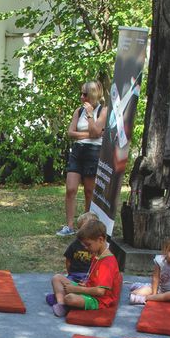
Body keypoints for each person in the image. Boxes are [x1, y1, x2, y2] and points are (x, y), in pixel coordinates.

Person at [58, 81, 108, 237]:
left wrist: (91, 116)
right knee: (71, 189)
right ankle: (69, 225)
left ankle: (86, 226)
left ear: (93, 94)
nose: (81, 97)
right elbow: (71, 133)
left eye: (85, 94)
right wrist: (89, 134)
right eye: (81, 93)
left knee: (88, 191)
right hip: (78, 152)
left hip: (93, 152)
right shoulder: (78, 111)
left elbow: (96, 130)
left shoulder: (103, 111)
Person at [48, 219, 119, 317]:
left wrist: (76, 289)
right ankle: (62, 305)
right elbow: (94, 278)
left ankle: (63, 299)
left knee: (70, 298)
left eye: (88, 244)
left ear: (101, 240)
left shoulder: (107, 262)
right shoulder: (97, 254)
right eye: (84, 245)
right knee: (57, 278)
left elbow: (100, 291)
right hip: (88, 290)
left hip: (99, 300)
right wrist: (85, 284)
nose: (86, 247)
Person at [129, 235, 170, 304]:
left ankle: (145, 298)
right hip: (159, 288)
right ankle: (141, 286)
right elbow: (155, 278)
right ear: (165, 250)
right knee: (134, 293)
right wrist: (154, 294)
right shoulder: (160, 260)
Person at [58, 211, 100, 287]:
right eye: (82, 229)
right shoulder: (75, 244)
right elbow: (68, 260)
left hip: (90, 276)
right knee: (62, 283)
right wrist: (70, 273)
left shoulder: (97, 246)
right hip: (74, 274)